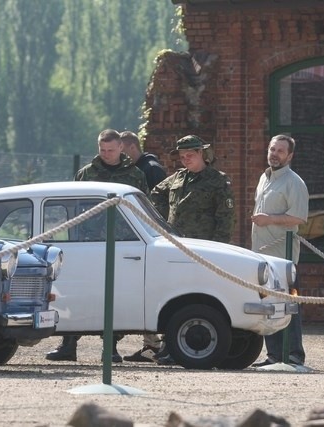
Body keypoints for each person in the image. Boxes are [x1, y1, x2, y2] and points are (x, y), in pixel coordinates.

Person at [45, 128, 148, 363]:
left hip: (120, 244)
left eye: (111, 150)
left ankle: (110, 348)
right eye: (102, 150)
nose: (106, 154)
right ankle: (68, 344)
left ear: (121, 148)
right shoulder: (87, 173)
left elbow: (142, 209)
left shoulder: (135, 175)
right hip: (87, 243)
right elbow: (72, 208)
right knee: (77, 291)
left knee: (115, 294)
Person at [150, 134, 236, 364]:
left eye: (190, 155)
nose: (186, 160)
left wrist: (218, 250)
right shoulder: (178, 178)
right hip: (175, 249)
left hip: (203, 250)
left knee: (198, 298)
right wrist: (161, 220)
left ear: (202, 154)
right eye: (182, 156)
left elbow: (225, 219)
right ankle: (169, 347)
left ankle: (192, 345)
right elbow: (156, 193)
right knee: (172, 296)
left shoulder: (218, 181)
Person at [250, 134, 308, 367]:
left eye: (280, 151)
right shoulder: (265, 178)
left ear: (289, 156)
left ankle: (294, 355)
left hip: (283, 258)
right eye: (272, 149)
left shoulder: (294, 182)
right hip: (261, 256)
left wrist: (268, 220)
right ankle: (274, 355)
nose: (274, 154)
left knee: (288, 306)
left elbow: (299, 217)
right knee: (266, 306)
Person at [120, 130, 167, 363]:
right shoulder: (143, 168)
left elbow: (157, 206)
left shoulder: (150, 169)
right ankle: (153, 346)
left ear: (129, 147)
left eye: (120, 150)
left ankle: (157, 346)